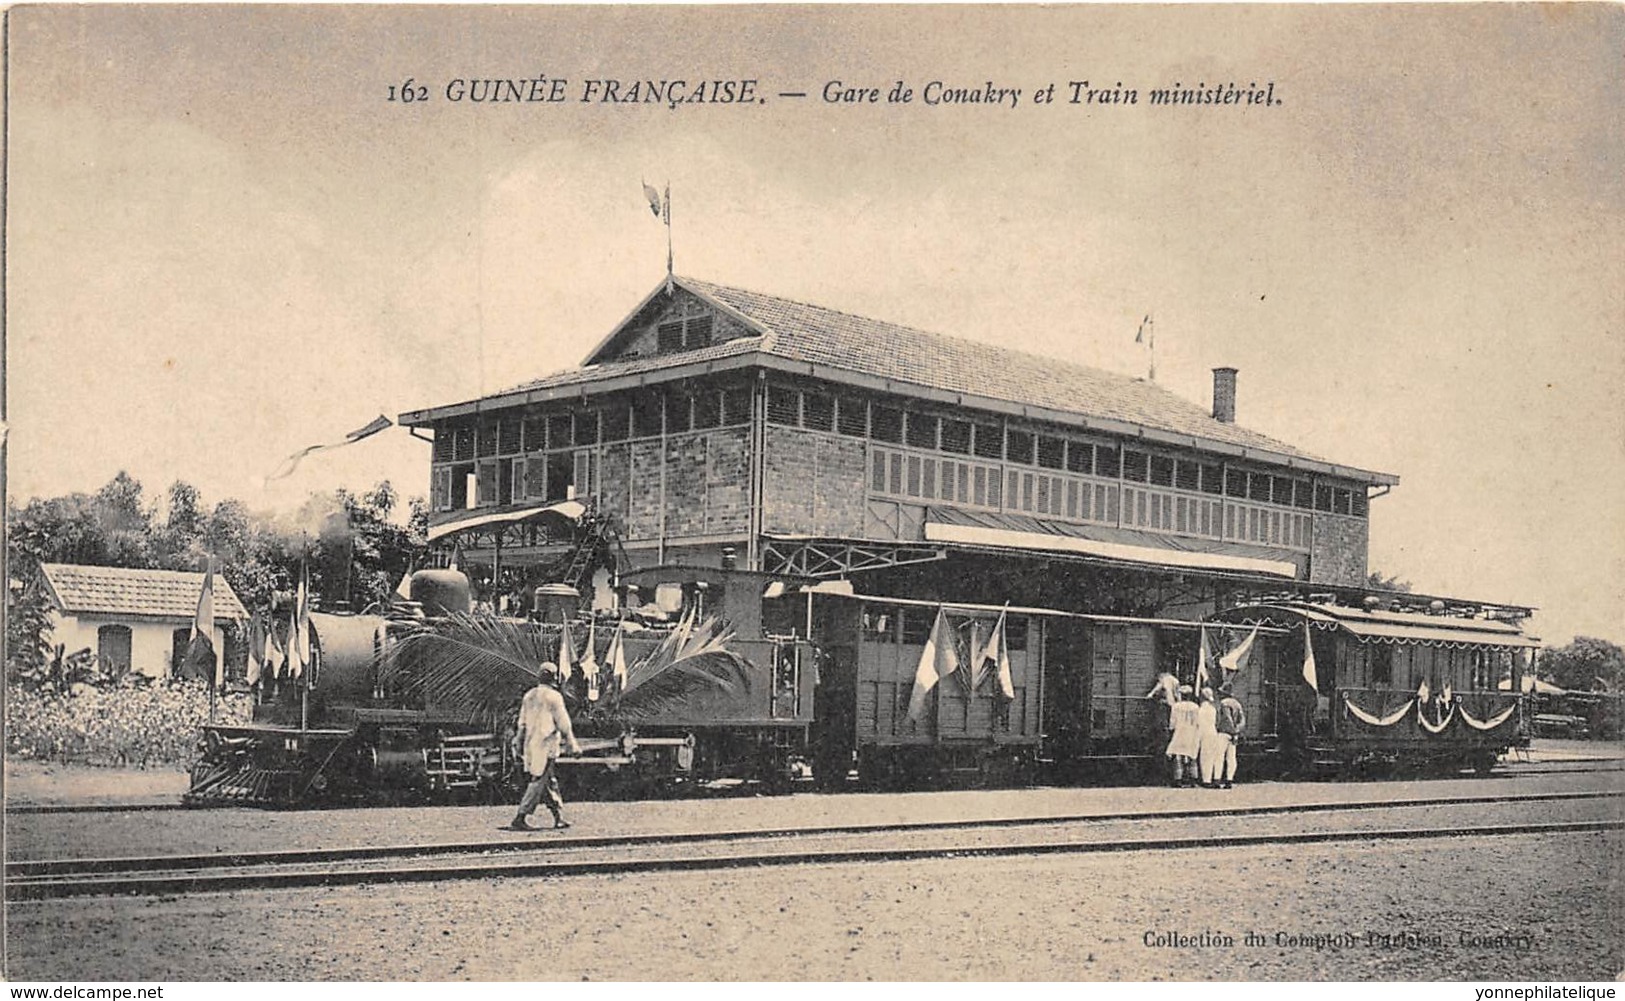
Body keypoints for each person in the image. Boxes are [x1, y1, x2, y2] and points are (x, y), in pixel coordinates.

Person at [506, 662, 581, 832]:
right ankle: (520, 816)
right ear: (554, 678)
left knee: (548, 781)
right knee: (538, 781)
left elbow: (522, 724)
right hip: (546, 745)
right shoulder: (554, 697)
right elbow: (564, 724)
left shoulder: (529, 695)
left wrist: (518, 742)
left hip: (531, 745)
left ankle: (559, 817)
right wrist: (573, 744)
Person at [1165, 685, 1200, 787]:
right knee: (1192, 756)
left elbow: (1173, 722)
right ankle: (1193, 780)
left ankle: (1178, 780)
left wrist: (1171, 730)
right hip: (1192, 732)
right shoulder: (1195, 707)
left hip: (1180, 732)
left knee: (1178, 756)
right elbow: (1197, 722)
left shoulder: (1176, 706)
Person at [1215, 689, 1247, 788]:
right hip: (1234, 735)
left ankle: (1217, 779)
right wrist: (1236, 731)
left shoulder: (1224, 703)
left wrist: (1231, 730)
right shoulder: (1237, 704)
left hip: (1224, 732)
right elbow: (1242, 720)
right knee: (1231, 758)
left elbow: (1227, 718)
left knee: (1219, 757)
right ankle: (1229, 780)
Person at [1196, 687, 1225, 789]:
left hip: (1204, 733)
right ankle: (1216, 778)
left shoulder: (1200, 710)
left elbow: (1198, 723)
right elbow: (1217, 722)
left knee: (1205, 757)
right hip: (1213, 732)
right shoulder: (1213, 709)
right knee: (1214, 756)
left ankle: (1206, 780)